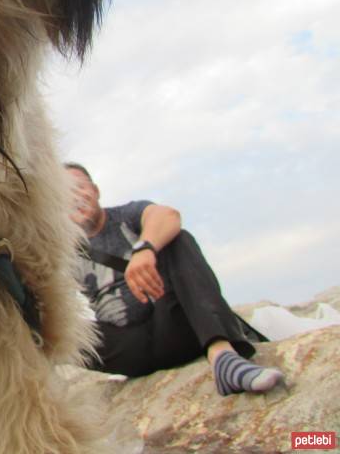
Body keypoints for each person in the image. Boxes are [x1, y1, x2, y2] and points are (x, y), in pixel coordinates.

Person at [65, 163, 285, 396]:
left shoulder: (127, 215)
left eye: (79, 187)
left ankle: (223, 357)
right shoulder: (64, 252)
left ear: (96, 190)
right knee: (42, 328)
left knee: (178, 239)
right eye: (64, 193)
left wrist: (145, 248)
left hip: (172, 324)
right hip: (127, 348)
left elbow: (167, 216)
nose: (75, 197)